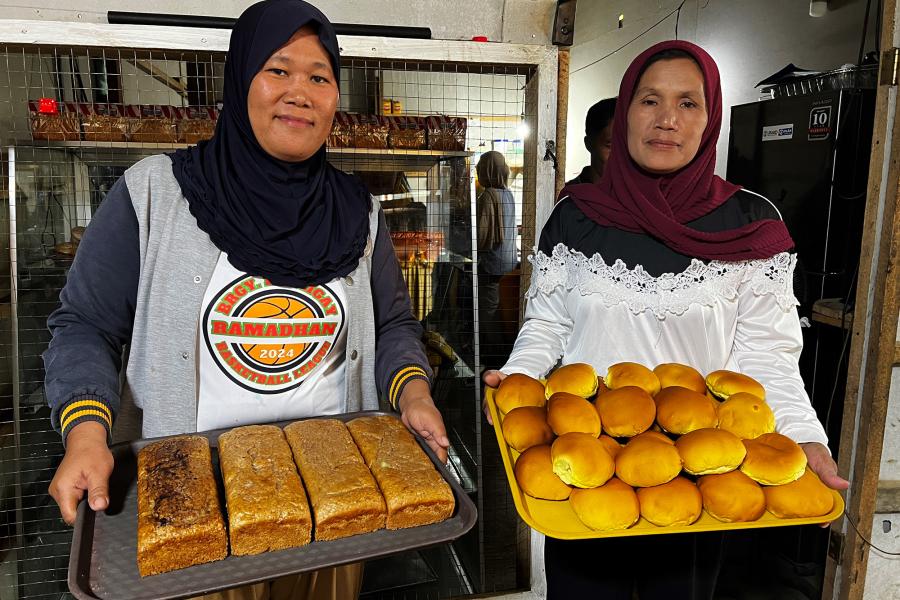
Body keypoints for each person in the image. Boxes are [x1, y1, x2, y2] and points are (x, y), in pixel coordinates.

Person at [44, 1, 449, 598]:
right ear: (240, 80)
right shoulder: (156, 194)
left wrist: (413, 393)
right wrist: (84, 434)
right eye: (278, 70)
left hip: (333, 503)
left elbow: (391, 325)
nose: (301, 92)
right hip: (189, 504)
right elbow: (84, 325)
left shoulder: (357, 213)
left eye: (320, 76)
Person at [483, 40, 849, 599]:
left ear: (711, 119)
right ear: (626, 109)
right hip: (587, 463)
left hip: (697, 477)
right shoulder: (577, 215)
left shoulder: (750, 222)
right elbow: (547, 325)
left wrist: (804, 438)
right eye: (650, 100)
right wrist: (518, 380)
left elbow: (767, 357)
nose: (667, 120)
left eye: (688, 103)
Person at [475, 150, 518, 370]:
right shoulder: (508, 194)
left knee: (488, 315)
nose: (477, 170)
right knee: (502, 314)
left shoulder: (488, 195)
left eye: (480, 166)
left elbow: (482, 236)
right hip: (508, 263)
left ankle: (496, 362)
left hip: (491, 265)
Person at [566, 96, 617, 185]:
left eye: (626, 146)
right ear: (589, 144)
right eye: (610, 146)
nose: (619, 156)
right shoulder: (570, 196)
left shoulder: (637, 195)